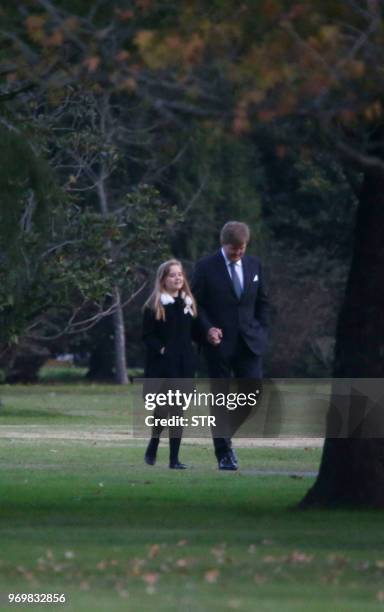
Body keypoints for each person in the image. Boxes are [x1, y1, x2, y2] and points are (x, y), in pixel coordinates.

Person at [192, 221, 269, 470]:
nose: (238, 253)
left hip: (250, 343)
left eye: (241, 248)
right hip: (219, 345)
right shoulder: (205, 267)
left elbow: (262, 302)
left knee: (252, 396)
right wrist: (207, 329)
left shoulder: (254, 265)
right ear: (223, 244)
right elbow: (195, 304)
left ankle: (224, 433)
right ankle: (223, 453)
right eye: (233, 248)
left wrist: (262, 330)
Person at [142, 259, 198, 469]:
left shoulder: (188, 303)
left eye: (180, 274)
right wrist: (162, 349)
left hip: (184, 364)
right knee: (162, 410)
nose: (177, 278)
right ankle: (154, 442)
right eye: (172, 275)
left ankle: (174, 459)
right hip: (164, 365)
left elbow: (195, 331)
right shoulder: (155, 305)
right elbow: (147, 336)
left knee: (178, 411)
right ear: (163, 279)